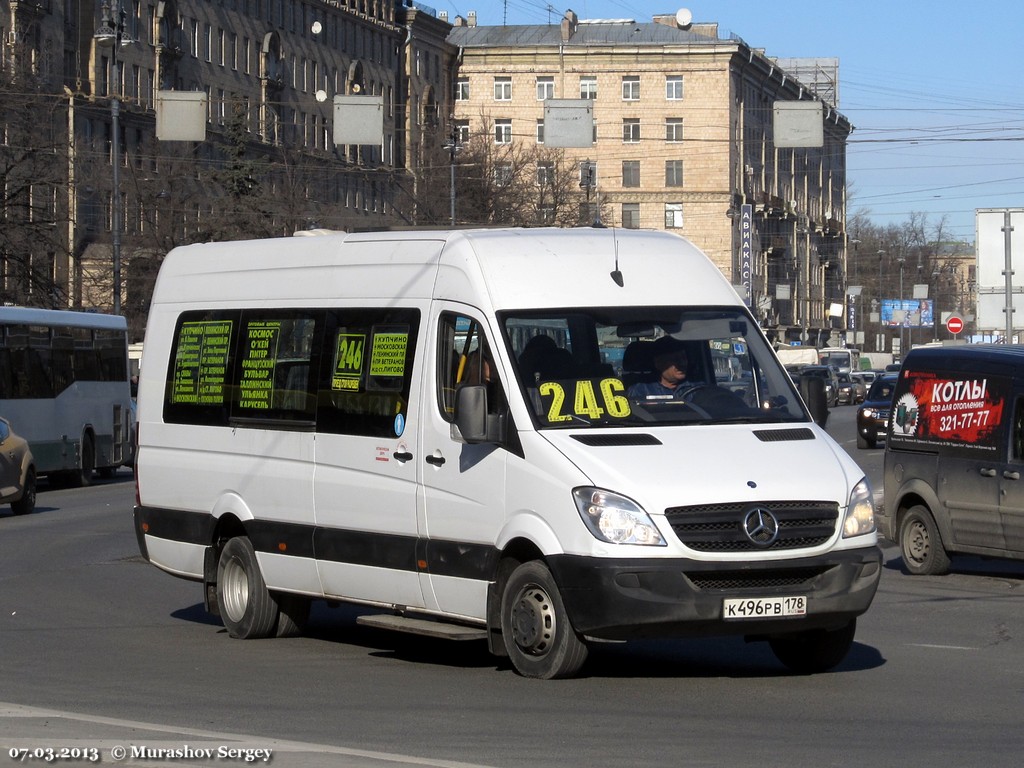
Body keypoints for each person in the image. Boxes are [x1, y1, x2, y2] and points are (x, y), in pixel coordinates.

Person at [627, 336, 695, 400]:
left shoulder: (697, 388)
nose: (682, 363)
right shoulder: (640, 390)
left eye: (684, 358)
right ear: (658, 363)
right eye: (675, 359)